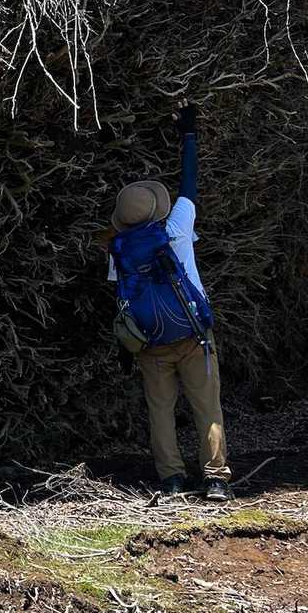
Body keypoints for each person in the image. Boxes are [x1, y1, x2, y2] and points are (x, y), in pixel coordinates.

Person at [107, 103, 232, 502]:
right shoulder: (176, 227)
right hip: (194, 334)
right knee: (207, 406)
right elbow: (189, 184)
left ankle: (172, 480)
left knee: (160, 410)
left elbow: (122, 296)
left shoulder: (120, 250)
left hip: (150, 343)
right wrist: (189, 135)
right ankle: (215, 479)